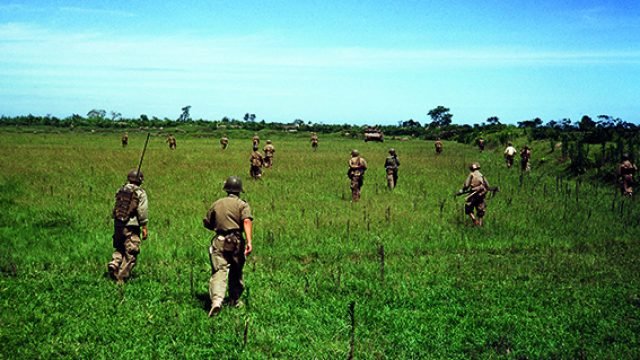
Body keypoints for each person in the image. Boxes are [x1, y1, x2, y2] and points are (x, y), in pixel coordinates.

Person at [203, 176, 253, 316]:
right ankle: (234, 299)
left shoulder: (217, 203)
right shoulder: (242, 205)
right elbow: (247, 221)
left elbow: (208, 222)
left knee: (219, 271)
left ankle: (217, 301)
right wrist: (249, 241)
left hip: (220, 240)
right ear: (239, 190)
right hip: (237, 241)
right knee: (236, 271)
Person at [108, 169, 149, 282]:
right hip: (132, 226)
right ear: (140, 180)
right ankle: (121, 278)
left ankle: (115, 263)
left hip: (118, 224)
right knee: (131, 252)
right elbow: (142, 210)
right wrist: (144, 226)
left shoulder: (121, 190)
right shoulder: (140, 193)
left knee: (120, 246)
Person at [458, 162, 490, 226]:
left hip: (473, 193)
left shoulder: (471, 174)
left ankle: (474, 220)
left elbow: (466, 185)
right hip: (481, 194)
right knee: (480, 209)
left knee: (468, 207)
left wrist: (462, 190)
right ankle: (480, 224)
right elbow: (487, 185)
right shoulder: (481, 175)